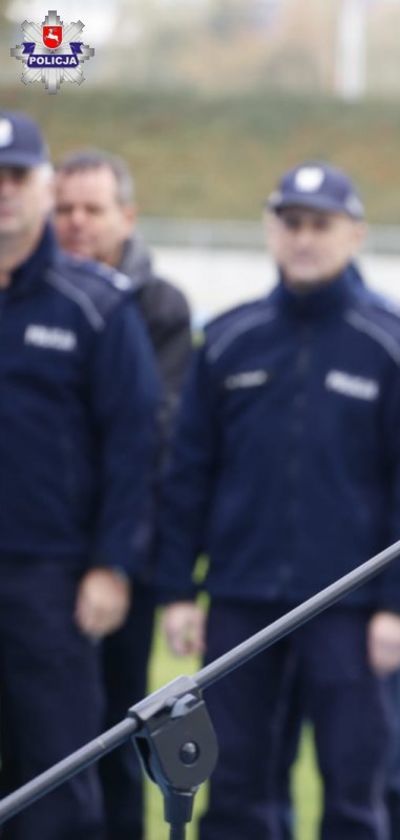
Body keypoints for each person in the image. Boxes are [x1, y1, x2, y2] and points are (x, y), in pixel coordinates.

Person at [156, 161, 400, 840]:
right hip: (241, 601)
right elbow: (189, 472)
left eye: (321, 224)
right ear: (270, 230)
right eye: (291, 223)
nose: (304, 238)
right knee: (234, 792)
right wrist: (177, 590)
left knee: (357, 794)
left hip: (351, 611)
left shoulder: (397, 343)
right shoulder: (230, 339)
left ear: (355, 233)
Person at [0, 111, 160, 838]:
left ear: (42, 187)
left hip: (50, 582)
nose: (4, 192)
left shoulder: (95, 307)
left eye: (17, 177)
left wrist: (110, 566)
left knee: (56, 775)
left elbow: (132, 446)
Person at [53, 147, 193, 840]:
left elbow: (153, 428)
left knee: (114, 729)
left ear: (126, 217)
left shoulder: (159, 307)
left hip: (122, 547)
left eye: (92, 209)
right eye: (64, 210)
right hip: (38, 551)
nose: (76, 223)